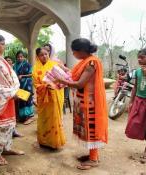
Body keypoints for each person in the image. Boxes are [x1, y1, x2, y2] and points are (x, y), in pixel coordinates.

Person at [56, 38, 108, 170]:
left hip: (90, 103)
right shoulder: (85, 62)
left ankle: (94, 159)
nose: (73, 54)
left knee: (91, 130)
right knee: (87, 130)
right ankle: (92, 155)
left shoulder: (91, 63)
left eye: (74, 52)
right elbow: (74, 75)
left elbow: (79, 83)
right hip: (83, 101)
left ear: (82, 51)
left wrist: (60, 79)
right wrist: (62, 69)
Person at [0, 34, 25, 166]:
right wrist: (10, 92)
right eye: (2, 44)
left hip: (8, 97)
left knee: (9, 125)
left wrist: (14, 91)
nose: (4, 46)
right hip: (0, 98)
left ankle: (6, 148)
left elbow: (11, 77)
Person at [125, 47, 146, 160]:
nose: (139, 59)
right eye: (138, 57)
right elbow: (135, 87)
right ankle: (140, 136)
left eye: (142, 57)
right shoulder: (138, 71)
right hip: (139, 101)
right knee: (134, 122)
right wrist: (131, 101)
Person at [32, 47, 66, 150]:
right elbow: (36, 84)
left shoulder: (54, 65)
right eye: (41, 55)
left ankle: (54, 142)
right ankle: (43, 141)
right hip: (42, 97)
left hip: (54, 95)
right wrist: (44, 86)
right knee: (43, 119)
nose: (44, 56)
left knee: (54, 118)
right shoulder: (35, 68)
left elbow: (63, 79)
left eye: (46, 54)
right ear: (38, 56)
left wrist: (54, 85)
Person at [4, 56, 24, 138]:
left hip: (15, 94)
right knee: (7, 115)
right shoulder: (2, 70)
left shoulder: (13, 69)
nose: (8, 62)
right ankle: (8, 132)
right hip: (6, 95)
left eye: (10, 60)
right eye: (7, 60)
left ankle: (14, 131)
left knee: (14, 113)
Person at [13, 51, 35, 125]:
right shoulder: (15, 66)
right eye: (18, 57)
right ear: (16, 57)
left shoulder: (27, 64)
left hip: (27, 85)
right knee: (21, 100)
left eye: (21, 56)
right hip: (19, 85)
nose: (20, 58)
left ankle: (29, 116)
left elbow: (31, 74)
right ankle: (23, 117)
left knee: (27, 100)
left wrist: (22, 76)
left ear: (24, 57)